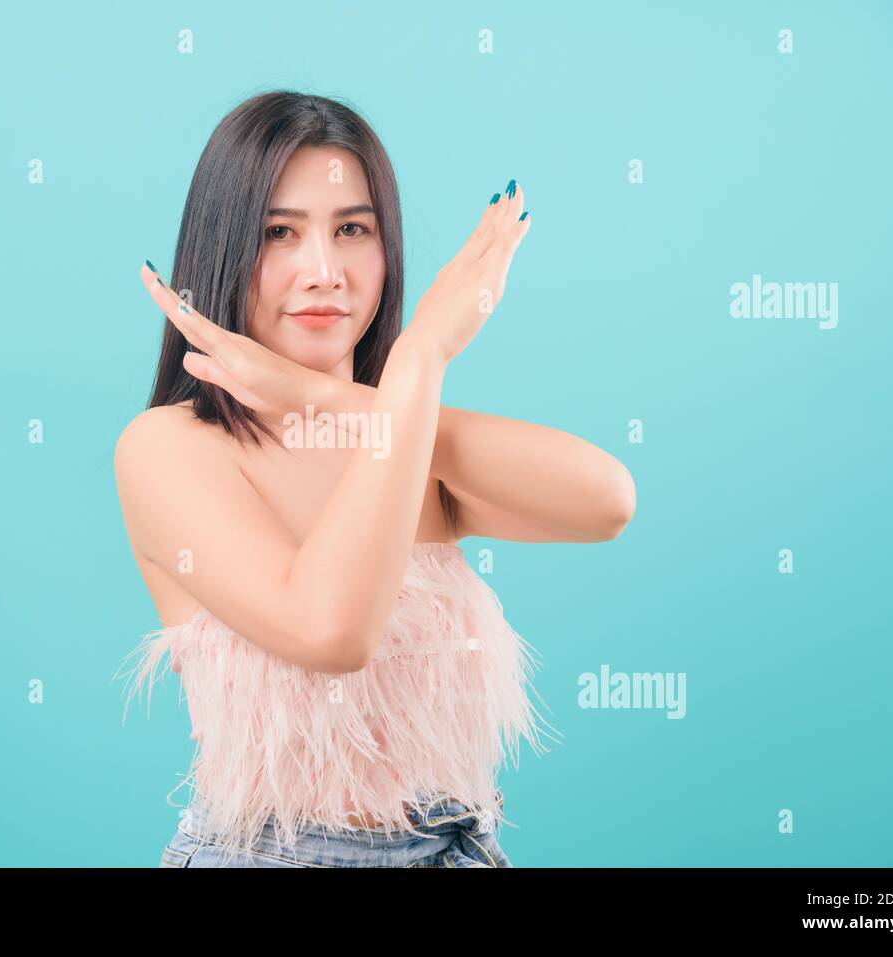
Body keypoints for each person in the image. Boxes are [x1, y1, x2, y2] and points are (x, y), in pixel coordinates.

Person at [113, 91, 635, 867]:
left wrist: (331, 397)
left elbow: (606, 499)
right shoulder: (168, 449)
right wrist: (419, 360)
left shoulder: (403, 446)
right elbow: (332, 630)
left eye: (352, 229)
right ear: (221, 247)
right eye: (278, 232)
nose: (323, 271)